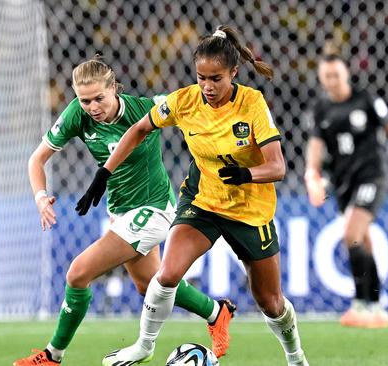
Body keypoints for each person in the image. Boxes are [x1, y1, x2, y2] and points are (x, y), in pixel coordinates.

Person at [77, 25, 309, 366]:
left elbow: (278, 167)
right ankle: (144, 346)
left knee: (271, 302)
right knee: (167, 273)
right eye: (201, 77)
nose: (207, 86)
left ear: (233, 72)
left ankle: (296, 357)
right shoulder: (184, 101)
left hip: (250, 211)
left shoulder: (252, 103)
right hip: (202, 202)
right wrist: (105, 172)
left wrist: (246, 174)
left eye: (215, 78)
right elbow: (140, 128)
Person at [13, 56, 236, 366]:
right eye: (84, 100)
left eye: (99, 98)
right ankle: (217, 312)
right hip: (120, 211)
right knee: (150, 285)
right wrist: (40, 197)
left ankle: (52, 356)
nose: (92, 106)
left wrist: (216, 72)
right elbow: (36, 160)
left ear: (114, 89)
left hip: (154, 209)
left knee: (77, 274)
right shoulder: (77, 114)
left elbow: (189, 98)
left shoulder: (144, 109)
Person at [304, 51, 388, 328]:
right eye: (327, 76)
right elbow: (315, 145)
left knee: (351, 235)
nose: (333, 80)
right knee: (364, 240)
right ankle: (376, 307)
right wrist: (311, 173)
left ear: (346, 74)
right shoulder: (320, 109)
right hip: (343, 183)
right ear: (322, 79)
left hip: (371, 177)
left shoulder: (366, 100)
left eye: (336, 75)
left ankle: (361, 303)